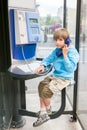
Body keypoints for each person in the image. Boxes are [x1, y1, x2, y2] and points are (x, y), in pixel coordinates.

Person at [33, 28, 79, 127]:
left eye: (60, 40)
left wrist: (65, 55)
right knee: (41, 85)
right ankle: (44, 111)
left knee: (45, 91)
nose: (57, 42)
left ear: (67, 41)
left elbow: (71, 69)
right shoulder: (57, 50)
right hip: (56, 75)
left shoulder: (72, 52)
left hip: (65, 78)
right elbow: (49, 58)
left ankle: (46, 111)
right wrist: (43, 65)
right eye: (56, 40)